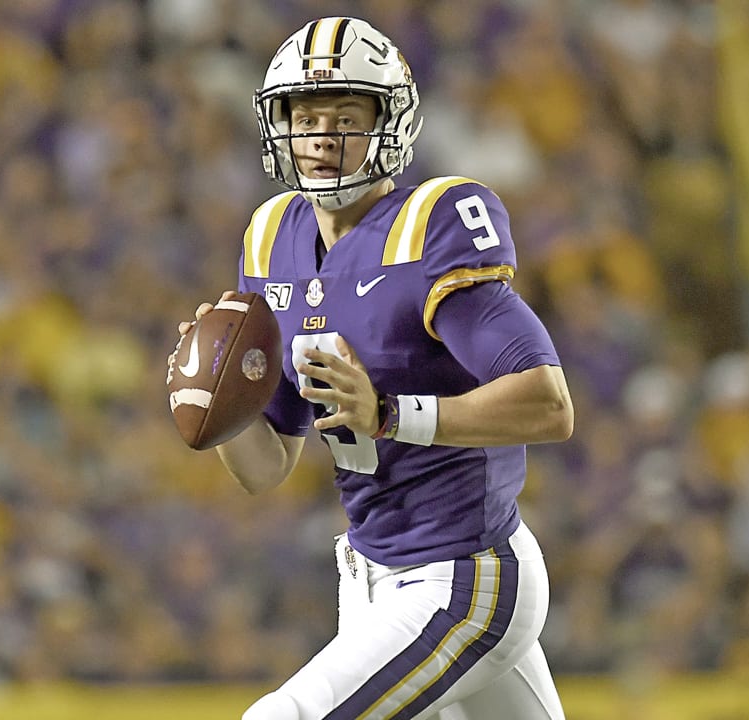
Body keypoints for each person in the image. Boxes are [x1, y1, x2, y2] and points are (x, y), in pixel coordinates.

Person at [172, 16, 573, 719]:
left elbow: (548, 403)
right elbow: (268, 470)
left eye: (346, 115)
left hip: (463, 573)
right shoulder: (271, 240)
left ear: (390, 125)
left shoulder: (430, 225)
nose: (322, 135)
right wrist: (215, 398)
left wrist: (392, 414)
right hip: (367, 575)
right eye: (305, 115)